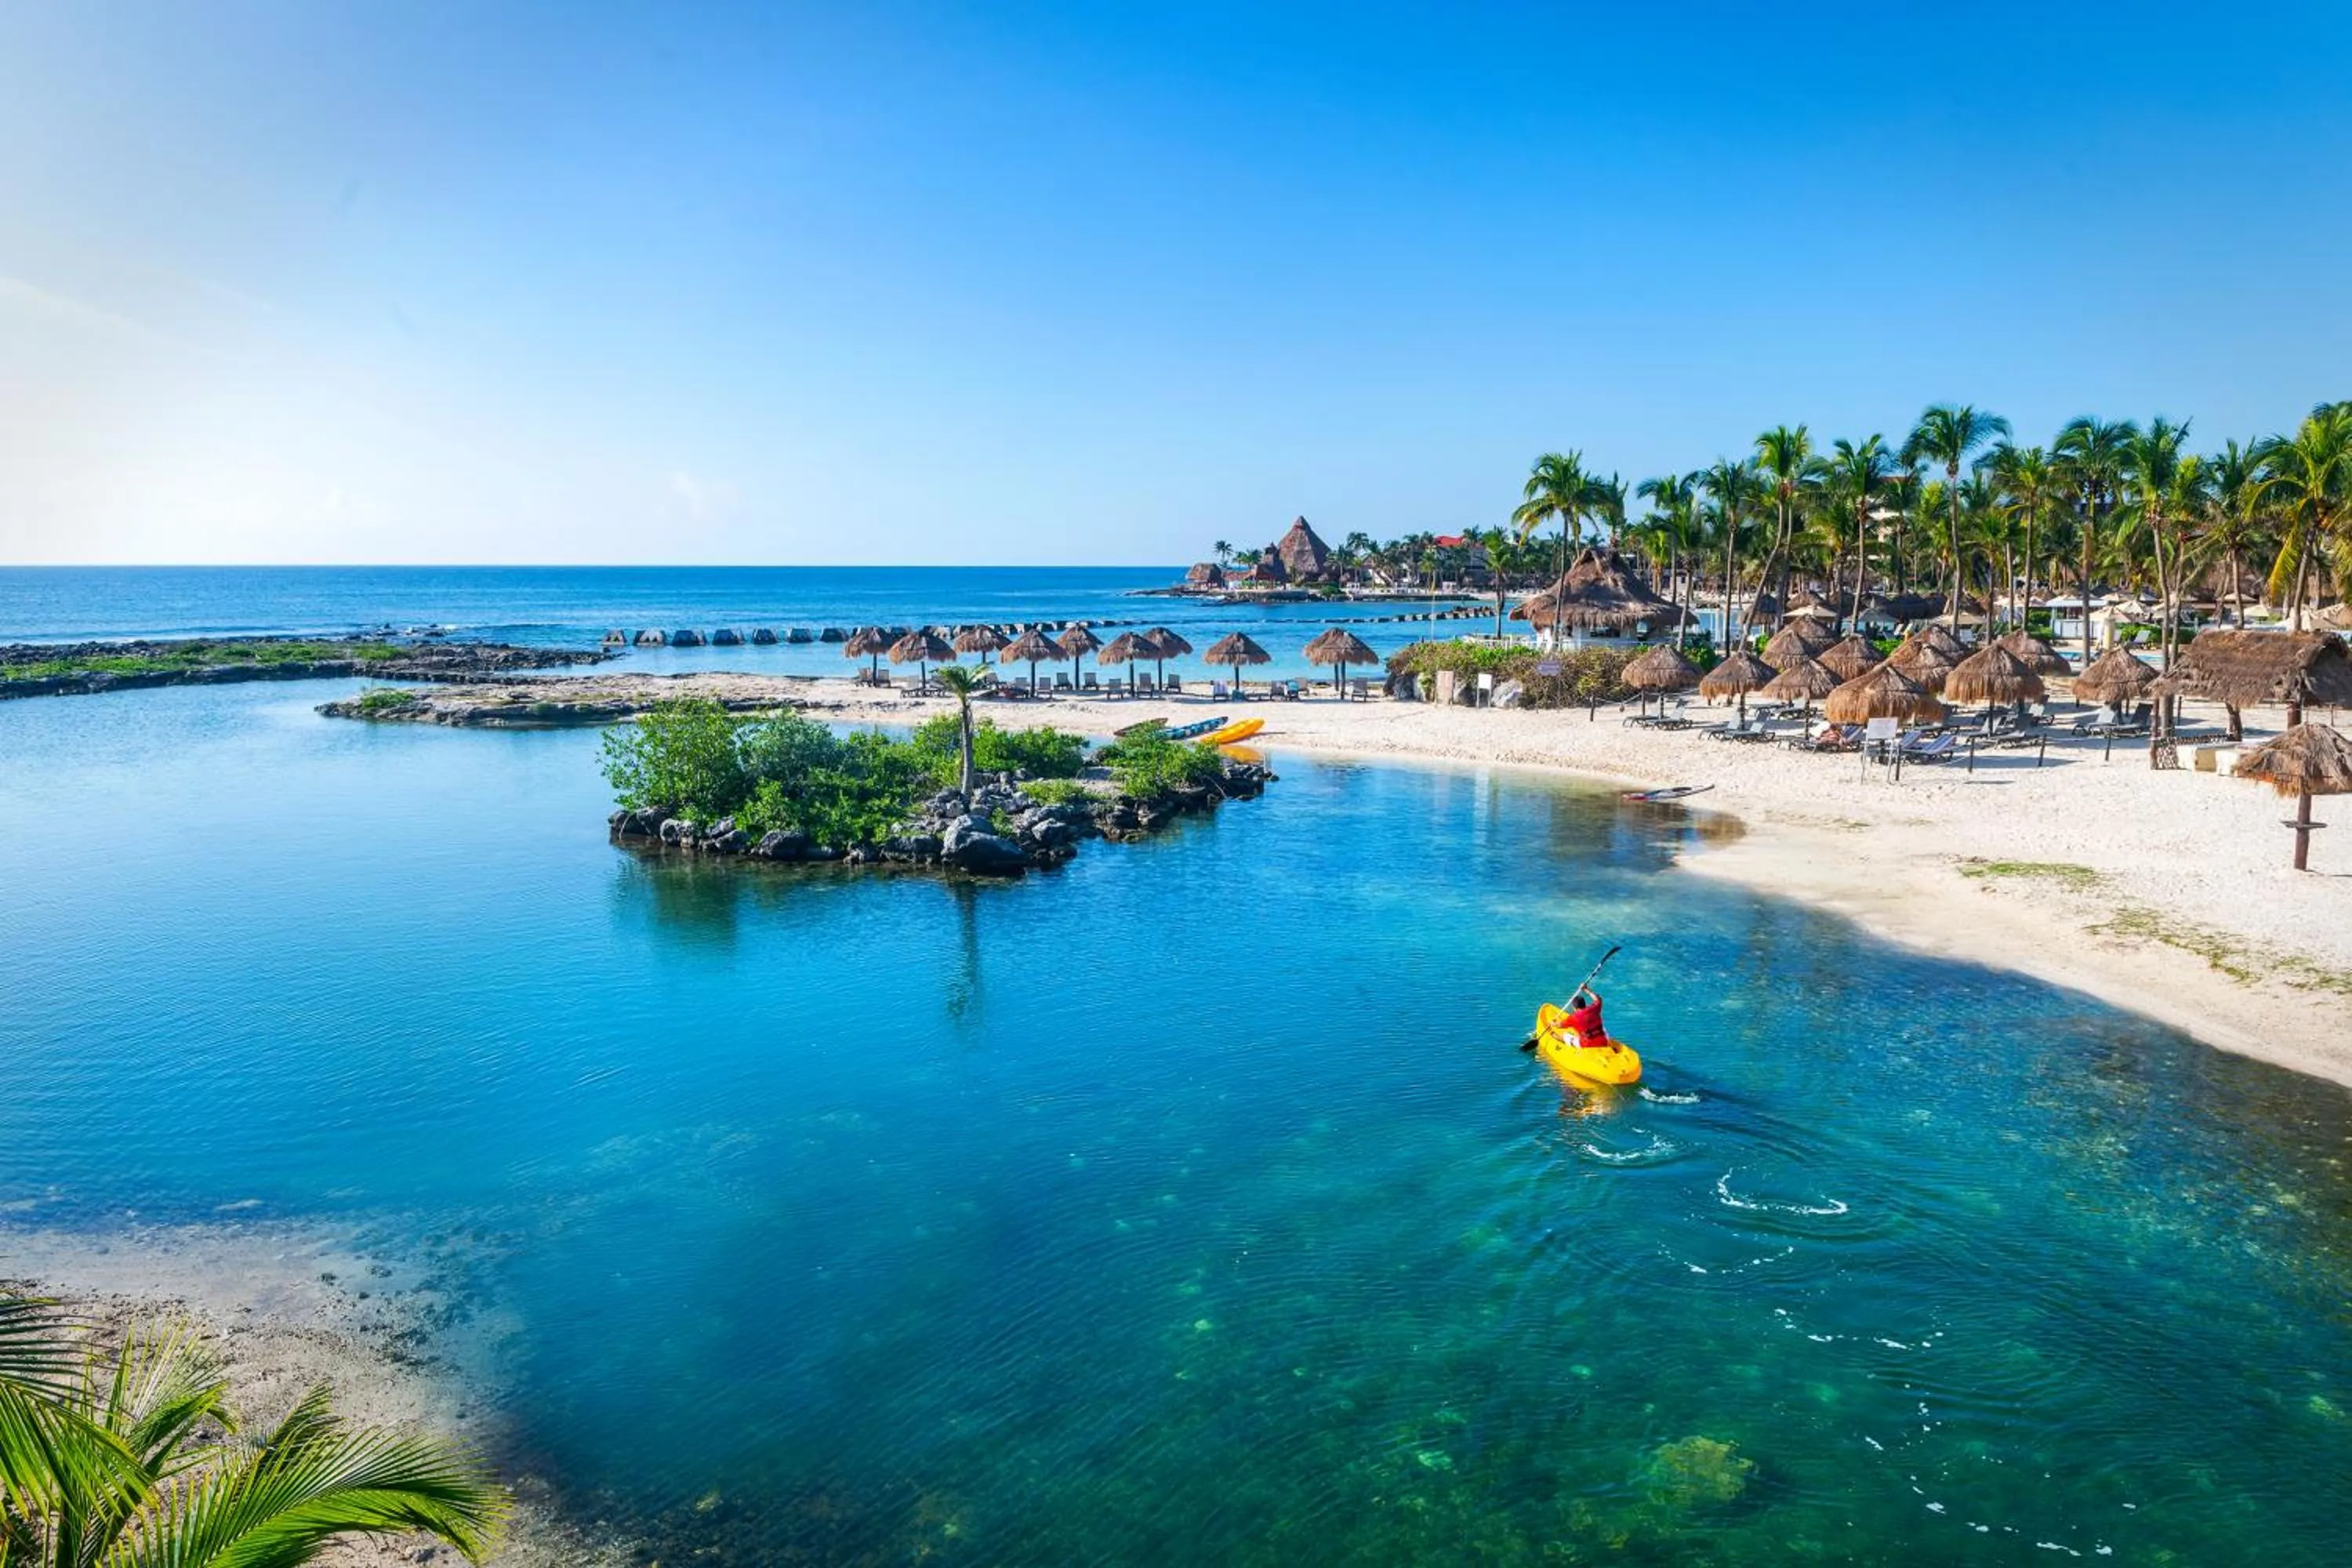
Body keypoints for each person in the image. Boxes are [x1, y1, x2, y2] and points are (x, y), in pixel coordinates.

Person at [1561, 985, 1613, 1051]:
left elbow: (1560, 1025)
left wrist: (1553, 1023)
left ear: (1575, 1008)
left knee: (1565, 1035)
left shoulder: (1573, 1017)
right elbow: (1598, 999)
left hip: (1587, 1045)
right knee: (1603, 1029)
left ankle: (1565, 1044)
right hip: (1604, 1042)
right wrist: (1586, 989)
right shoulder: (1595, 1008)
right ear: (1584, 1004)